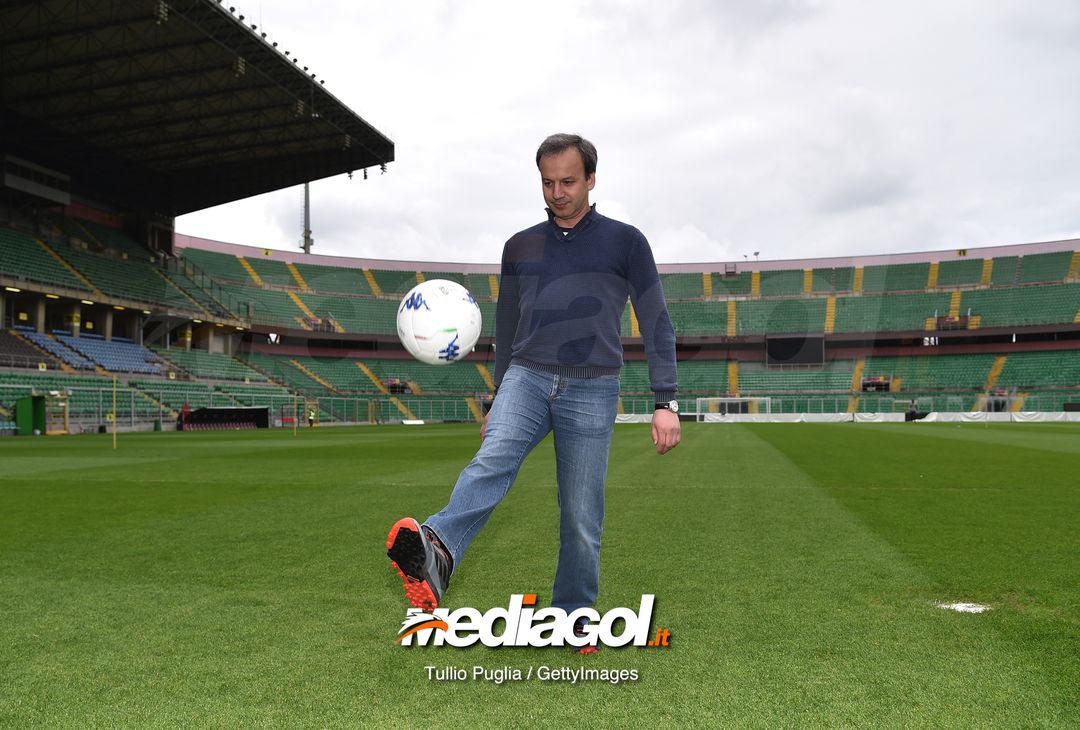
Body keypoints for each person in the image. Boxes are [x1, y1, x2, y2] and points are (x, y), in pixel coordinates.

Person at [386, 133, 680, 639]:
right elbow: (507, 325)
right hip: (527, 375)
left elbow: (655, 318)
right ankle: (435, 551)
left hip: (594, 386)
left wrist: (665, 400)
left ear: (591, 179)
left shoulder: (626, 241)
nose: (557, 192)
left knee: (581, 513)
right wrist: (498, 398)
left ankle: (574, 617)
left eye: (568, 181)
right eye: (548, 182)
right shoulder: (519, 246)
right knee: (492, 459)